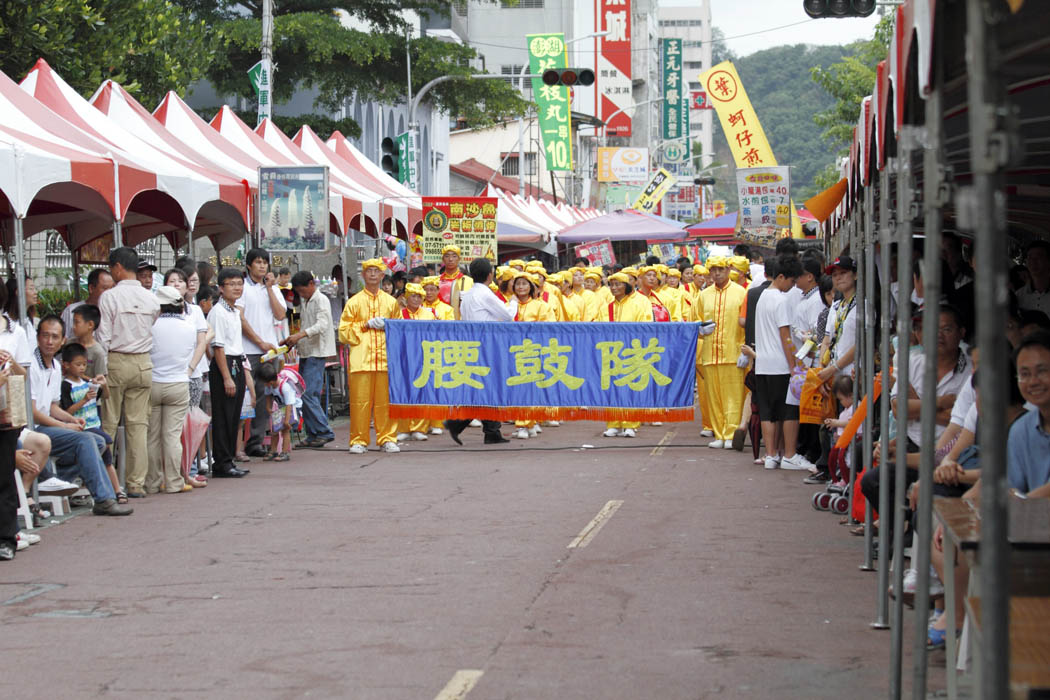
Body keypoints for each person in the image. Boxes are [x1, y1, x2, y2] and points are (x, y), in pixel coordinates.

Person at [31, 316, 132, 515]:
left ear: (63, 341)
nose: (49, 341)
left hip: (48, 427)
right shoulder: (32, 364)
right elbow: (33, 412)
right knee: (86, 440)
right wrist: (65, 426)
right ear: (37, 338)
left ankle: (58, 479)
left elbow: (52, 406)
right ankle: (104, 499)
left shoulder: (55, 367)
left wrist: (71, 419)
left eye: (55, 337)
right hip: (34, 429)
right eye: (45, 336)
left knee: (100, 442)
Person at [98, 247, 160, 498]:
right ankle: (136, 483)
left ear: (118, 268)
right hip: (143, 362)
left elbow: (103, 337)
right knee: (138, 425)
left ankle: (105, 480)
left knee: (109, 423)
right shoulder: (151, 299)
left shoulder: (110, 297)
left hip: (116, 360)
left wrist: (100, 370)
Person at [443, 258, 515, 446]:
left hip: (474, 345)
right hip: (487, 346)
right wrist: (514, 302)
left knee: (484, 388)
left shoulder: (468, 295)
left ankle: (489, 430)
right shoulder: (485, 294)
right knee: (488, 387)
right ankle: (460, 424)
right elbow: (508, 316)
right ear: (490, 275)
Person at [339, 258, 401, 454]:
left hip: (385, 359)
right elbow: (343, 332)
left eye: (376, 271)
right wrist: (364, 325)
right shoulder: (354, 302)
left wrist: (389, 326)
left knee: (385, 403)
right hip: (361, 360)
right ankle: (359, 440)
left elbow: (400, 330)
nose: (373, 274)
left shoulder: (391, 302)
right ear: (363, 275)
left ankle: (387, 438)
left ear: (382, 275)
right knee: (359, 402)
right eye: (369, 271)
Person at [146, 286, 200, 494]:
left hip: (153, 382)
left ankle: (152, 482)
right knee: (172, 436)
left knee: (152, 436)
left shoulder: (151, 326)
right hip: (178, 383)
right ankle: (174, 482)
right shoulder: (189, 326)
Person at [754, 255, 804, 470]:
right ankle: (789, 455)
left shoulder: (763, 297)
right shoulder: (781, 300)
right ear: (781, 277)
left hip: (762, 364)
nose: (792, 286)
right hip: (780, 364)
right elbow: (786, 337)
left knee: (767, 413)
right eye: (791, 281)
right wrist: (793, 366)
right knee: (788, 411)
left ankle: (771, 454)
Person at [238, 248, 288, 457]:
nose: (262, 266)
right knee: (248, 396)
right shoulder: (242, 287)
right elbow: (240, 318)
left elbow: (280, 314)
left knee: (268, 395)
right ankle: (241, 445)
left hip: (270, 351)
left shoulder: (273, 288)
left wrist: (269, 289)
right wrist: (258, 342)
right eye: (258, 262)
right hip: (248, 349)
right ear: (249, 265)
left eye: (264, 262)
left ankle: (259, 441)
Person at [59, 342, 121, 502]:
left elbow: (105, 396)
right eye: (78, 364)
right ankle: (107, 490)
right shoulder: (66, 385)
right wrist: (84, 400)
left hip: (95, 425)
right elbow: (66, 412)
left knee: (107, 460)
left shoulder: (88, 382)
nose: (82, 368)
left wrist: (103, 385)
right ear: (66, 365)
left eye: (84, 364)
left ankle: (116, 491)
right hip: (82, 428)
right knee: (106, 442)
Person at [697, 256, 747, 449]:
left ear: (728, 270)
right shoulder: (704, 295)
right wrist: (700, 329)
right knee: (714, 397)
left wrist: (745, 350)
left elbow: (746, 323)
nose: (717, 273)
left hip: (733, 353)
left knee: (733, 397)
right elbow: (696, 320)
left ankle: (731, 434)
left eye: (721, 269)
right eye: (713, 270)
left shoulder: (740, 292)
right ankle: (719, 433)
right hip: (710, 353)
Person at [282, 271, 336, 449]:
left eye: (302, 290)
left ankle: (323, 431)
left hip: (317, 351)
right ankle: (313, 433)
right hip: (307, 351)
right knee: (303, 392)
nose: (301, 294)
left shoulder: (321, 300)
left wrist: (299, 335)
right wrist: (295, 340)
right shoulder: (306, 301)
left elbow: (322, 325)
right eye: (298, 291)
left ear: (311, 284)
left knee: (309, 393)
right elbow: (306, 326)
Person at [599, 272, 655, 438]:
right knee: (612, 388)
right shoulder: (606, 307)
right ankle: (613, 424)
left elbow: (645, 326)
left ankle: (630, 424)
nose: (614, 288)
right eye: (612, 285)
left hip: (631, 351)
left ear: (627, 286)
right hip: (611, 352)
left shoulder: (639, 303)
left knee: (631, 388)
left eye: (618, 284)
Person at [208, 268, 249, 478]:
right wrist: (226, 377)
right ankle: (222, 462)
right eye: (231, 284)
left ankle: (229, 459)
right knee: (223, 415)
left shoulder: (234, 311)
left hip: (236, 362)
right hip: (224, 364)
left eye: (239, 284)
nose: (236, 288)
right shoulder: (218, 312)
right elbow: (218, 347)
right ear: (221, 288)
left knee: (234, 414)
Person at [1008, 330, 1050, 498]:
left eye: (1042, 371)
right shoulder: (1021, 430)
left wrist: (1024, 502)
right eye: (1025, 374)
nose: (1033, 381)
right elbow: (1012, 489)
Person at [394, 283, 436, 443]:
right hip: (403, 357)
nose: (416, 299)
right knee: (403, 391)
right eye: (413, 296)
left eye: (419, 296)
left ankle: (419, 428)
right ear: (406, 297)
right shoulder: (399, 314)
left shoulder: (428, 315)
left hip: (422, 356)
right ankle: (403, 428)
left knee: (422, 392)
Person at [255, 362, 298, 462]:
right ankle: (273, 451)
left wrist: (286, 421)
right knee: (274, 431)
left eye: (264, 382)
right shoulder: (269, 386)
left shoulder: (285, 387)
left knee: (285, 430)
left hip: (289, 410)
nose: (263, 384)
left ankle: (285, 452)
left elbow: (289, 404)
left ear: (269, 382)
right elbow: (268, 395)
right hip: (279, 409)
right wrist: (268, 407)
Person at [62, 267, 114, 339]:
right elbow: (62, 339)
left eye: (112, 289)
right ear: (91, 288)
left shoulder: (113, 312)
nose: (110, 293)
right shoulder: (71, 311)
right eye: (105, 288)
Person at [70, 305, 107, 379]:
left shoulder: (98, 352)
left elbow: (100, 382)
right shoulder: (69, 344)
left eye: (77, 322)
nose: (73, 326)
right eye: (73, 322)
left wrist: (82, 376)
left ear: (90, 325)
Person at [437, 245, 473, 313]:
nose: (450, 259)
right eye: (447, 256)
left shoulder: (469, 281)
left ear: (459, 259)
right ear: (443, 259)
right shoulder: (436, 281)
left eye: (454, 256)